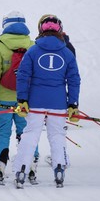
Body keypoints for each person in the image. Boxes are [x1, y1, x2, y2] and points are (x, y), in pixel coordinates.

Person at [13, 14, 80, 188]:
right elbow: (74, 79)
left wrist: (22, 100)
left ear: (41, 29)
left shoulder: (33, 51)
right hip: (58, 103)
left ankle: (21, 170)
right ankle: (59, 169)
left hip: (35, 102)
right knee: (57, 135)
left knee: (30, 135)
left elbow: (22, 76)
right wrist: (73, 104)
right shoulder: (66, 52)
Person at [0, 11, 38, 184]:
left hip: (3, 99)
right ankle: (31, 164)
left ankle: (0, 165)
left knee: (2, 132)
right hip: (25, 100)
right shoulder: (33, 45)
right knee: (26, 132)